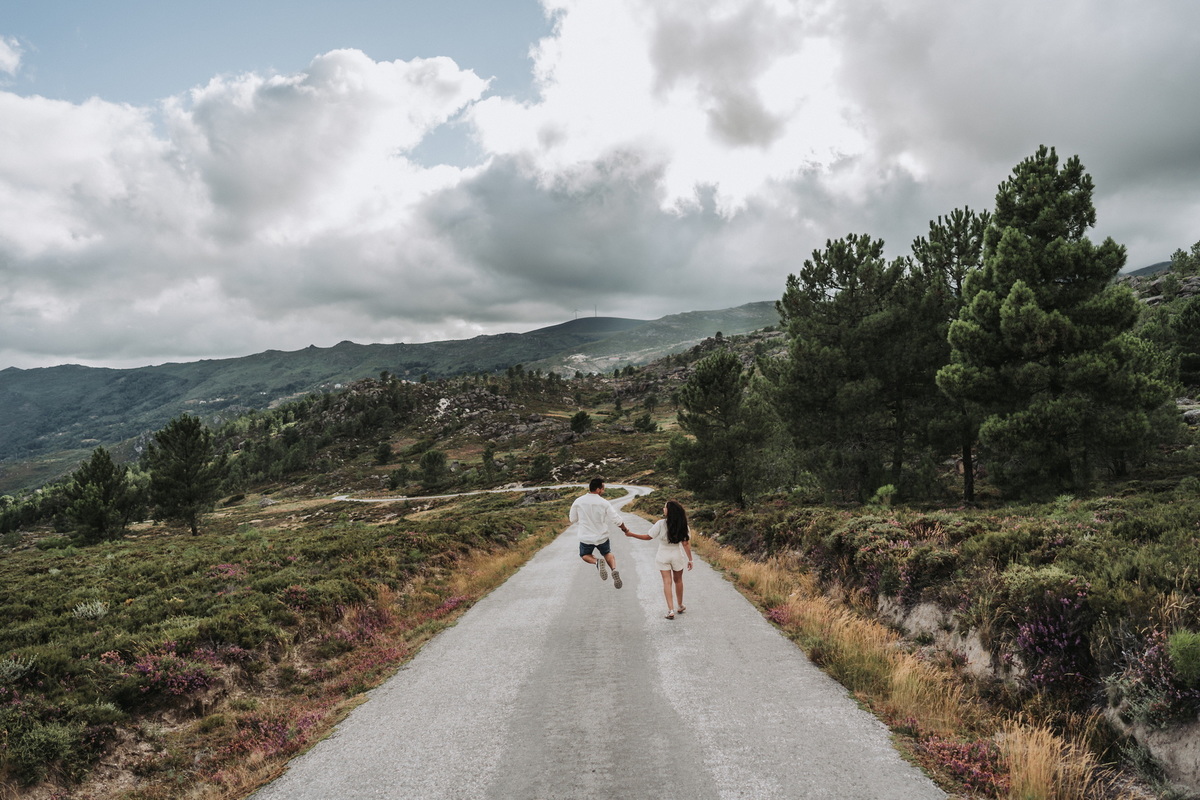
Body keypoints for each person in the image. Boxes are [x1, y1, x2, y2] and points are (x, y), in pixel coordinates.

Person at [626, 500, 692, 619]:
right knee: (678, 580)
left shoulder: (661, 524)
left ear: (669, 511)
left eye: (665, 507)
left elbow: (648, 537)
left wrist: (631, 534)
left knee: (667, 582)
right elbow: (685, 544)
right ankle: (680, 605)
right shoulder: (683, 525)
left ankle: (670, 610)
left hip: (663, 554)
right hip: (677, 554)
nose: (663, 509)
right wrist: (690, 560)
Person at [569, 477, 633, 589]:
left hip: (586, 537)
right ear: (598, 489)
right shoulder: (604, 503)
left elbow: (572, 519)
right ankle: (614, 569)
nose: (604, 490)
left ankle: (597, 562)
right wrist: (625, 529)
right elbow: (616, 519)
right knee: (607, 553)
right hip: (602, 536)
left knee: (584, 555)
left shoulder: (578, 501)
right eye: (603, 488)